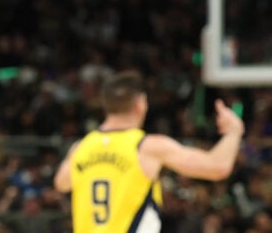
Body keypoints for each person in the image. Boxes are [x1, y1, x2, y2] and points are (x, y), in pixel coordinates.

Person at [53, 71, 244, 233]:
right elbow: (218, 167)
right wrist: (234, 132)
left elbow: (61, 183)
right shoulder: (147, 147)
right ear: (140, 104)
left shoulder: (81, 147)